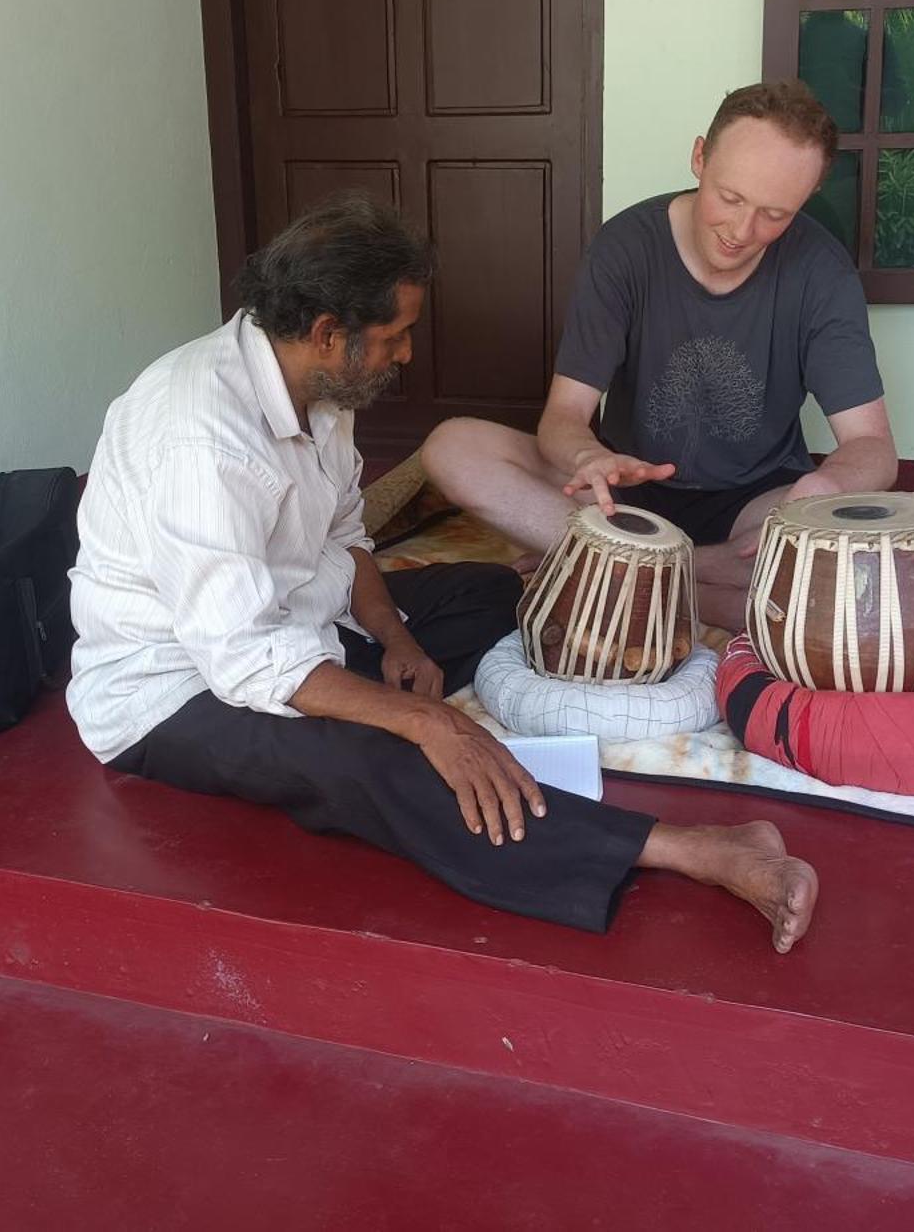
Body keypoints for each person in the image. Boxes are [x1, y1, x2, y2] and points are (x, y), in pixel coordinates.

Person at [67, 192, 817, 950]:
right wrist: (429, 722)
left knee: (485, 590)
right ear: (329, 333)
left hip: (299, 625)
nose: (406, 353)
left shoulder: (320, 387)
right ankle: (689, 849)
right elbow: (242, 659)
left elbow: (345, 537)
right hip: (178, 690)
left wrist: (396, 638)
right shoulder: (201, 441)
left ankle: (406, 693)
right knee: (371, 759)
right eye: (395, 335)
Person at [423, 81, 898, 629]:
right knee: (452, 447)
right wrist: (585, 457)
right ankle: (684, 585)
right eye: (731, 197)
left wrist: (827, 487)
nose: (742, 232)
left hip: (754, 504)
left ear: (806, 197)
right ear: (700, 157)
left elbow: (872, 447)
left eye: (775, 214)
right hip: (621, 496)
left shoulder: (822, 271)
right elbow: (565, 417)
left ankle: (617, 573)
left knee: (849, 559)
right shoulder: (625, 246)